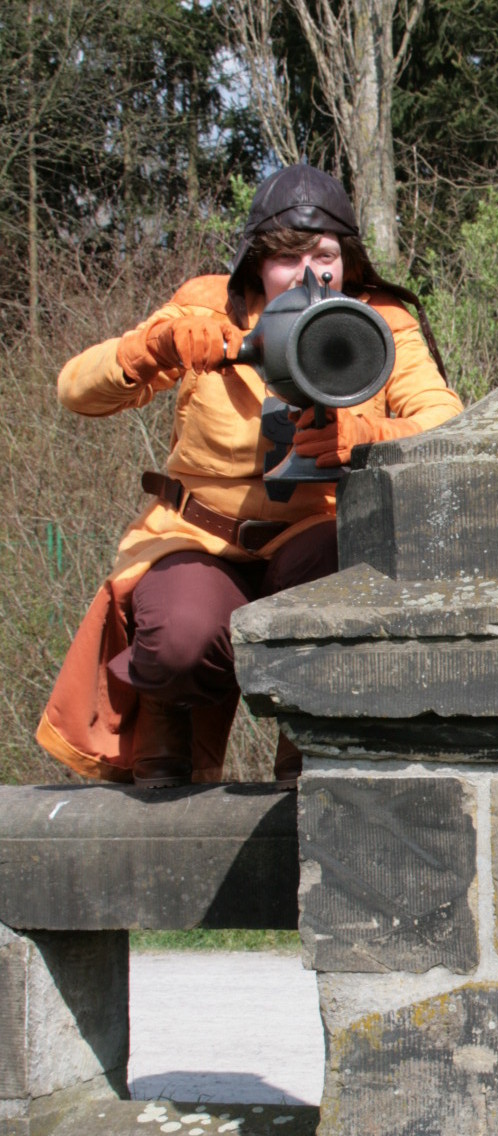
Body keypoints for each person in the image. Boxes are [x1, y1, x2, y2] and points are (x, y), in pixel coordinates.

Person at [37, 163, 463, 788]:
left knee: (346, 580)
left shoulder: (379, 320)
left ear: (347, 259)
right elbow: (75, 390)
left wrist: (370, 435)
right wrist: (152, 348)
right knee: (181, 635)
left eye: (324, 255)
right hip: (198, 535)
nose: (309, 272)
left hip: (312, 536)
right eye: (288, 257)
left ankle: (312, 748)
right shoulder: (206, 306)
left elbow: (445, 420)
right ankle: (167, 728)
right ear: (257, 262)